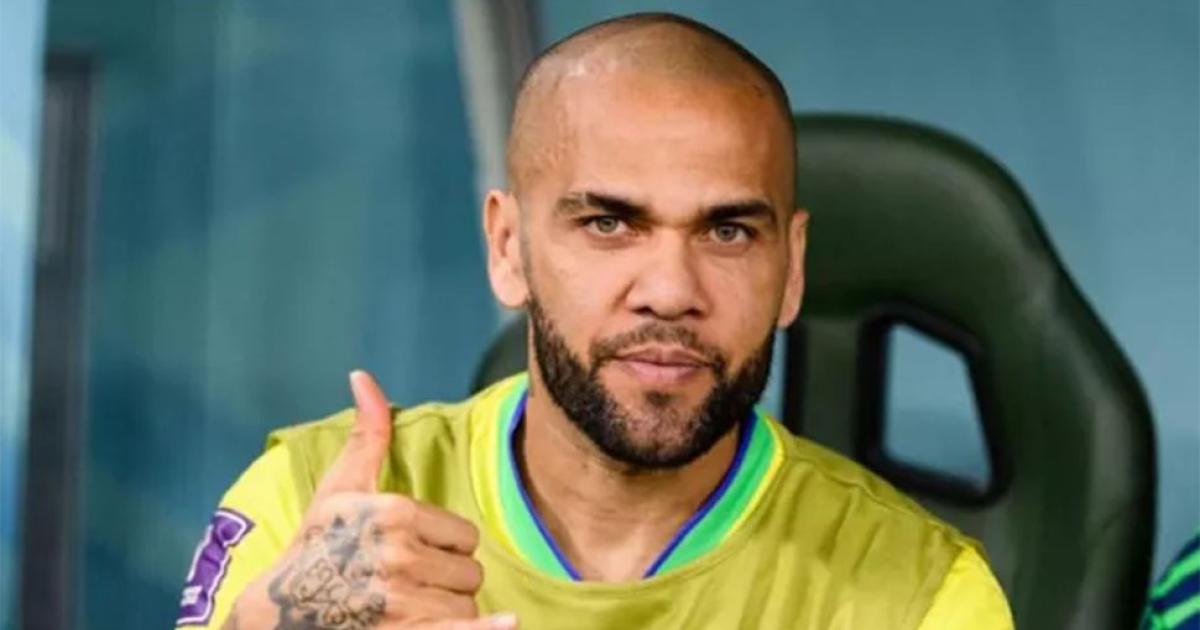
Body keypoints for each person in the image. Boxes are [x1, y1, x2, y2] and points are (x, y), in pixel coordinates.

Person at [175, 12, 1013, 630]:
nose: (670, 290)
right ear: (508, 247)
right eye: (609, 224)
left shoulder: (919, 597)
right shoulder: (313, 504)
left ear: (791, 270)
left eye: (727, 232)